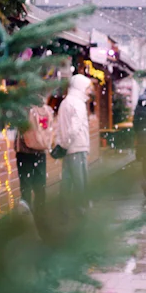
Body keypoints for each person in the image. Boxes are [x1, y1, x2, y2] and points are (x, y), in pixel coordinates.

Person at [56, 74, 93, 211]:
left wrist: (62, 144)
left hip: (68, 148)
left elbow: (60, 127)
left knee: (67, 179)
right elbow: (74, 128)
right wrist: (67, 142)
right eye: (87, 88)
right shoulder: (78, 104)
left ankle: (63, 209)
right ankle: (82, 207)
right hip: (77, 147)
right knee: (80, 179)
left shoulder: (65, 102)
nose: (89, 91)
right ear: (81, 87)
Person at [16, 95, 54, 214]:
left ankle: (27, 215)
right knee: (40, 184)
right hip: (41, 150)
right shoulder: (46, 109)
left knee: (26, 185)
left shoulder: (24, 108)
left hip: (25, 151)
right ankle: (41, 212)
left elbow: (20, 127)